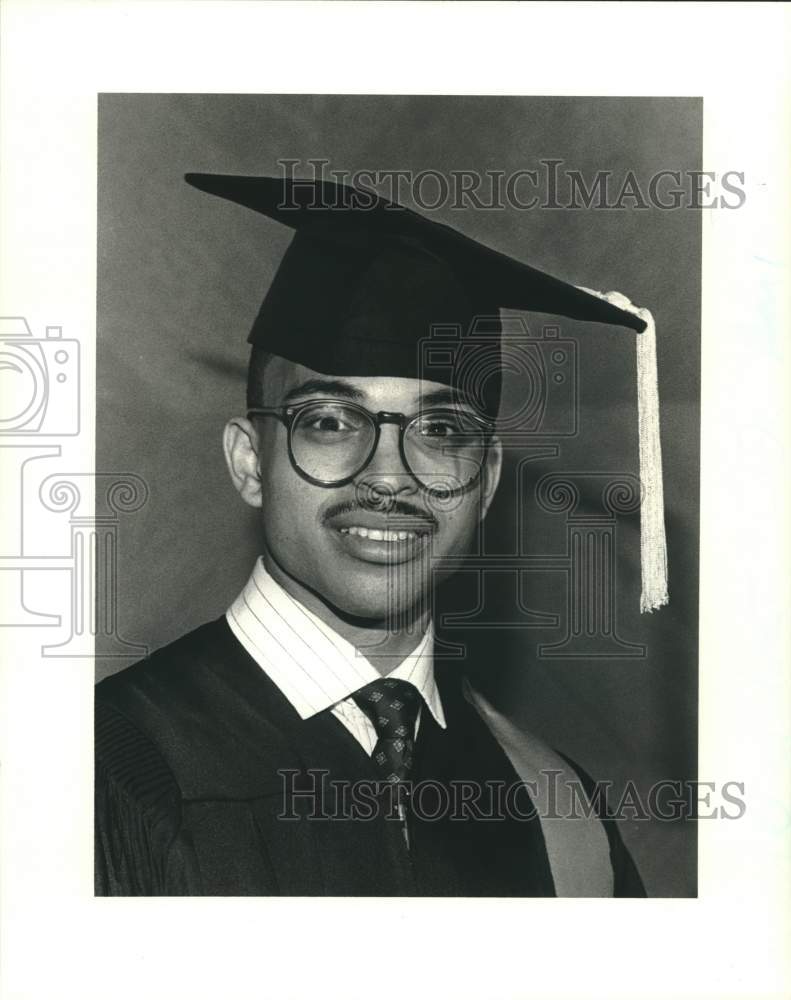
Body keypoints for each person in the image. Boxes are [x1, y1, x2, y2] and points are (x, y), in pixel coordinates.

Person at [95, 173, 653, 896]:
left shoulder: (555, 802)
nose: (389, 476)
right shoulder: (100, 768)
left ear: (484, 482)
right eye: (329, 421)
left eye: (441, 429)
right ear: (248, 461)